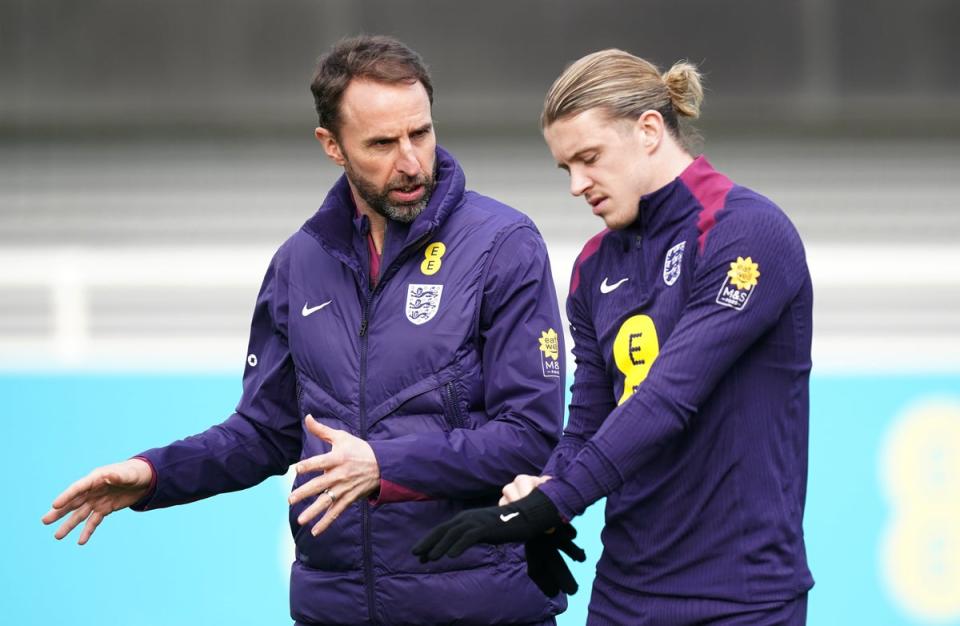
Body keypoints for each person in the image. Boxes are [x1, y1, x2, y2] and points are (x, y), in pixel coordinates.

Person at [42, 35, 570, 626]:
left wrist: (385, 465)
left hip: (480, 610)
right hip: (333, 610)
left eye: (419, 133)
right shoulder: (300, 262)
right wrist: (156, 474)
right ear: (332, 146)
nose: (411, 161)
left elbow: (529, 435)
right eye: (381, 143)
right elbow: (265, 432)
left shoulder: (503, 245)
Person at [414, 49, 815, 625]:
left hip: (742, 600)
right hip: (624, 596)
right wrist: (545, 494)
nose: (577, 185)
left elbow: (667, 397)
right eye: (565, 168)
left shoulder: (745, 229)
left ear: (649, 130)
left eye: (589, 158)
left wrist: (556, 498)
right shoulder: (593, 266)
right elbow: (590, 423)